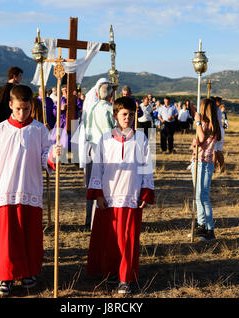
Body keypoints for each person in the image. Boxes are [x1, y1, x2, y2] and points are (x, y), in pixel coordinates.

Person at [0, 85, 60, 296]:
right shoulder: (1, 129)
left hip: (30, 188)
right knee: (6, 235)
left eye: (26, 109)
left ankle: (27, 272)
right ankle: (5, 276)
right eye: (18, 109)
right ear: (11, 105)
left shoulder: (40, 129)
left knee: (29, 234)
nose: (22, 113)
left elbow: (45, 158)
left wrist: (53, 155)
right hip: (5, 188)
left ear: (32, 106)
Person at [86, 96, 154, 294]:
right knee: (110, 238)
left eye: (132, 114)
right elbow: (97, 168)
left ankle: (126, 278)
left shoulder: (141, 139)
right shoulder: (105, 138)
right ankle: (111, 272)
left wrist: (145, 192)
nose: (128, 118)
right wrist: (98, 194)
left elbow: (146, 168)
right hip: (109, 197)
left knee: (129, 240)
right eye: (124, 114)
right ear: (115, 115)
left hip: (131, 196)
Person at [83, 82, 116, 229]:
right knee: (104, 186)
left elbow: (86, 129)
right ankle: (99, 219)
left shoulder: (91, 108)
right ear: (110, 95)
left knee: (92, 184)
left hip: (91, 147)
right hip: (105, 148)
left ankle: (89, 220)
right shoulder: (110, 110)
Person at [191, 98, 221, 241]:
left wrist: (197, 122)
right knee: (198, 197)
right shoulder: (209, 124)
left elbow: (202, 137)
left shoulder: (207, 125)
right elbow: (197, 142)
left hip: (203, 163)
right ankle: (201, 225)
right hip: (200, 162)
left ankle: (210, 229)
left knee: (203, 197)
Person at [0, 66, 23, 140]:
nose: (21, 78)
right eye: (20, 75)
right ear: (14, 76)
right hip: (2, 120)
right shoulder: (9, 89)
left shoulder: (8, 87)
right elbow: (4, 107)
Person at [213, 97, 226, 173]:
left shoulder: (215, 110)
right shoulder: (219, 111)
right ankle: (222, 167)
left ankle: (213, 168)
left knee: (214, 151)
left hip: (217, 130)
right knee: (218, 151)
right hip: (220, 130)